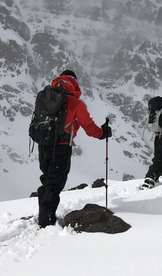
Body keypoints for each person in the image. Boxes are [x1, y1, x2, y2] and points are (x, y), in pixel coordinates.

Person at [37, 70, 112, 227]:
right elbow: (89, 127)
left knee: (47, 179)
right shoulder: (75, 103)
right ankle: (46, 220)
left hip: (43, 144)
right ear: (74, 83)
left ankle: (44, 215)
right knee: (55, 182)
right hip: (61, 147)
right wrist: (102, 133)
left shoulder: (45, 97)